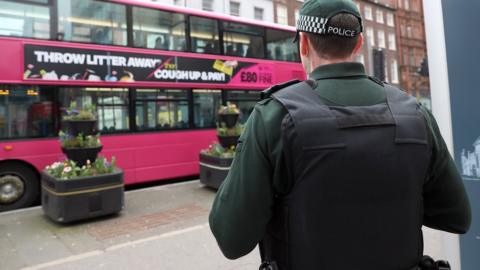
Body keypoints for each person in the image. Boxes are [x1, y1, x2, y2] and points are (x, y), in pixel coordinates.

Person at [209, 0, 471, 269]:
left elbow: (232, 239)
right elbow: (457, 216)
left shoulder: (273, 117)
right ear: (358, 44)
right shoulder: (415, 114)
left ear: (304, 43)